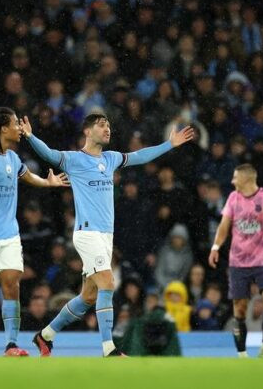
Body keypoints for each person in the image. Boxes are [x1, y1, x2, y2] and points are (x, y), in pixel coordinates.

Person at [22, 112, 193, 357]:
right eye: (102, 125)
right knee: (108, 282)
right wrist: (29, 136)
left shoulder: (111, 158)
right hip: (87, 233)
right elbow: (49, 154)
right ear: (88, 131)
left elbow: (139, 156)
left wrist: (170, 144)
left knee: (89, 296)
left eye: (109, 125)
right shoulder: (74, 159)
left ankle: (45, 335)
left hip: (105, 236)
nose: (107, 129)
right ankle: (108, 348)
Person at [0, 107, 69, 357]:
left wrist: (48, 182)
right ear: (2, 128)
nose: (20, 128)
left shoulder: (12, 158)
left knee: (12, 284)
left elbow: (27, 176)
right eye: (15, 124)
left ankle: (11, 344)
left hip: (9, 234)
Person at [208, 163, 263, 358]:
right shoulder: (233, 198)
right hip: (238, 263)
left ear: (246, 179)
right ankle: (242, 355)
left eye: (235, 177)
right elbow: (224, 226)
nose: (232, 181)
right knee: (239, 311)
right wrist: (215, 247)